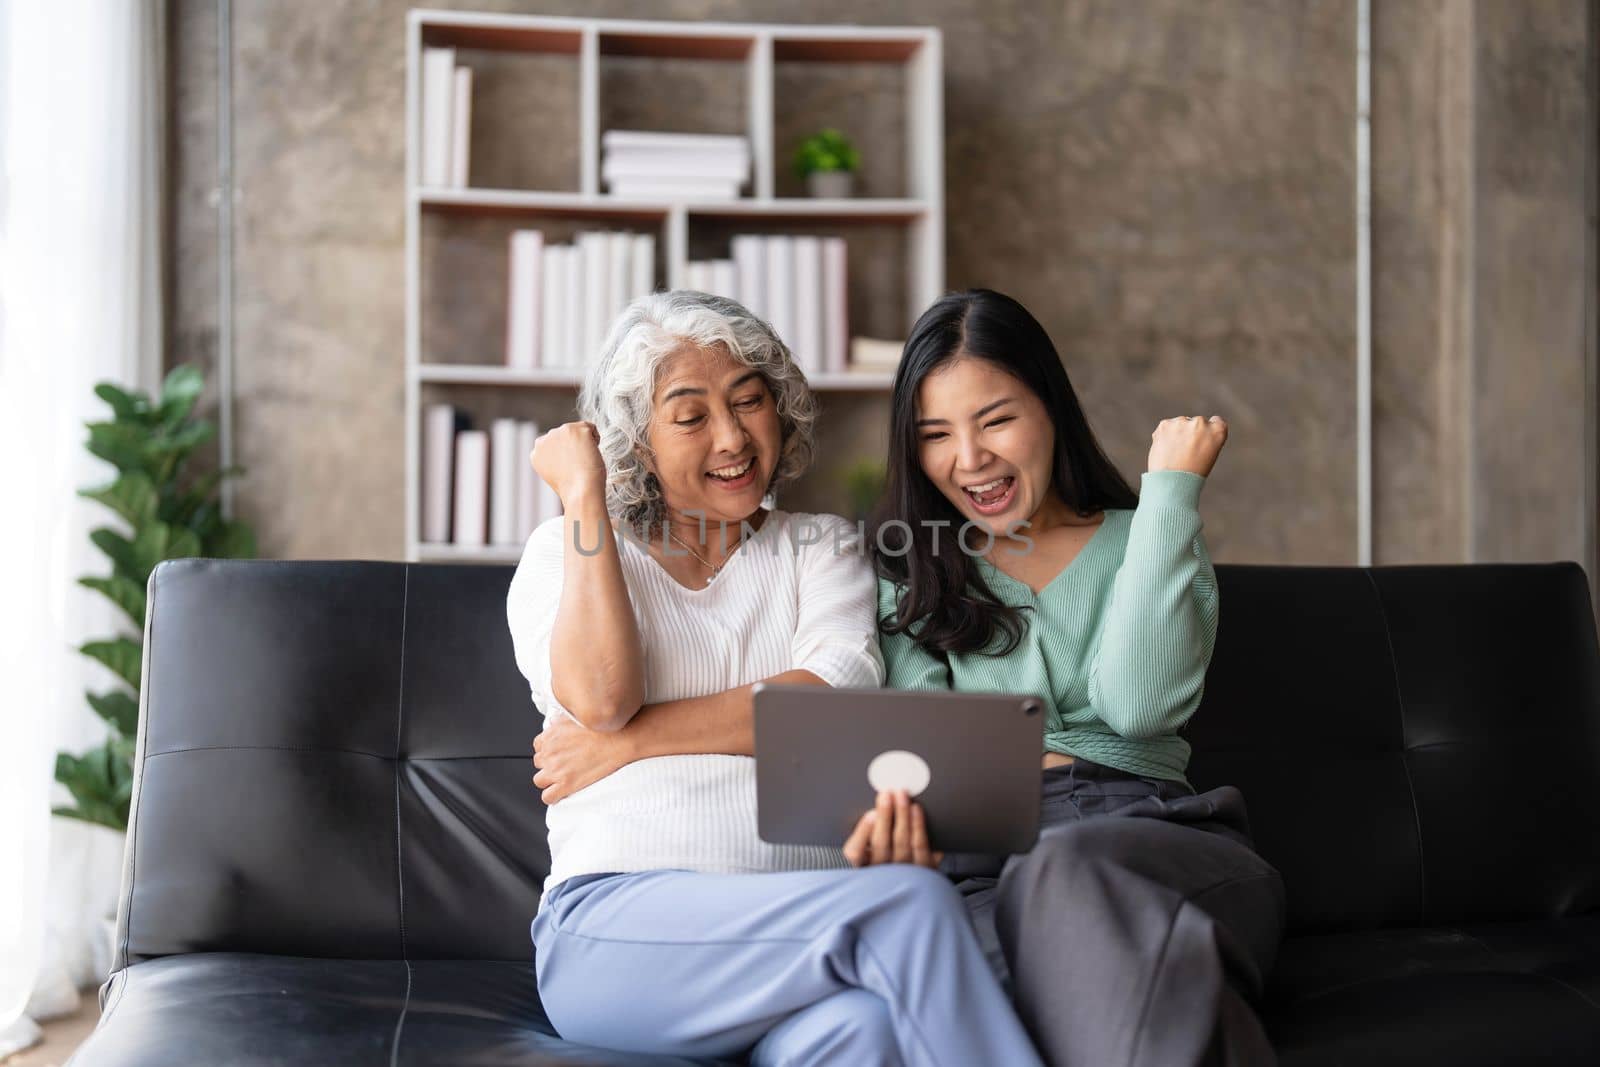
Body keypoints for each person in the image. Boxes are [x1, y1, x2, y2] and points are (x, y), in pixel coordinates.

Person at [508, 289, 1042, 1066]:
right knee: (907, 906)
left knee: (870, 1034)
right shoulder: (570, 551)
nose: (732, 437)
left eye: (750, 401)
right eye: (690, 417)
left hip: (800, 943)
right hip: (621, 926)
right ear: (636, 443)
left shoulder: (818, 547)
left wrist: (632, 743)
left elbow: (831, 700)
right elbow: (601, 698)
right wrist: (585, 496)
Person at [870, 287, 1287, 1067]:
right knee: (979, 989)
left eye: (995, 419)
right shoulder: (912, 569)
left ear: (1051, 405)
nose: (969, 458)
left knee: (1062, 871)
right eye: (935, 434)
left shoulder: (1150, 538)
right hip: (984, 868)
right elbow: (926, 770)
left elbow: (1136, 707)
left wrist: (1170, 493)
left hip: (1157, 837)